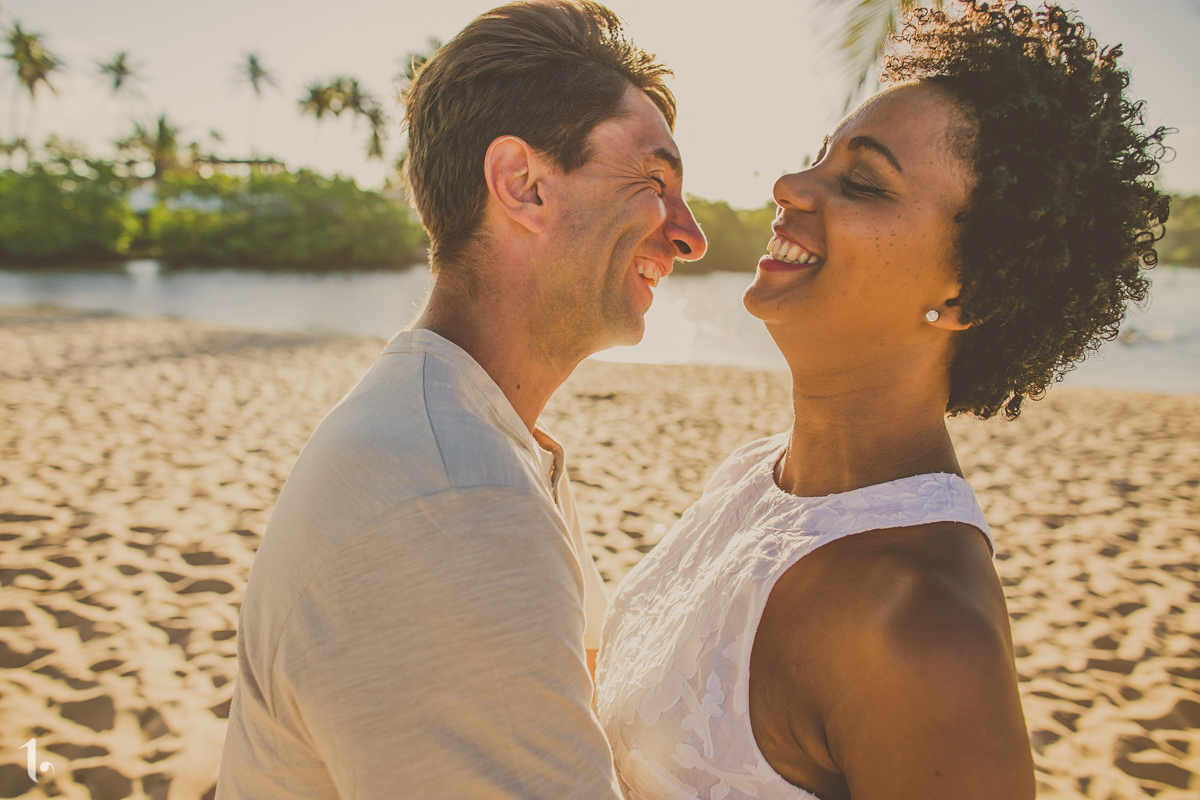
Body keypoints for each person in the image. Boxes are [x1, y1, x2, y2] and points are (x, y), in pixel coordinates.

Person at [595, 2, 1169, 799]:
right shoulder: (750, 478)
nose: (790, 186)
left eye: (861, 182)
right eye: (818, 159)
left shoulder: (923, 630)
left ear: (973, 292)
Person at [217, 1, 705, 796]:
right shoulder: (456, 498)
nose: (689, 235)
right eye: (653, 181)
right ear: (523, 184)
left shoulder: (461, 432)